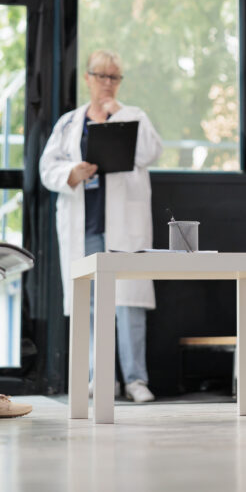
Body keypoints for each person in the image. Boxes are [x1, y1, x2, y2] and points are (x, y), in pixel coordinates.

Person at [39, 49, 162, 403]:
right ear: (88, 78)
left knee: (129, 302)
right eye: (101, 76)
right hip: (86, 223)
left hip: (124, 224)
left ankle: (136, 380)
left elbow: (152, 151)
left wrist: (117, 115)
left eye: (114, 77)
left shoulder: (133, 115)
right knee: (91, 303)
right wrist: (71, 173)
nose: (107, 83)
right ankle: (100, 378)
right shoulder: (68, 123)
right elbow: (48, 168)